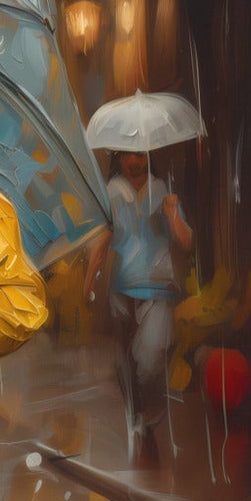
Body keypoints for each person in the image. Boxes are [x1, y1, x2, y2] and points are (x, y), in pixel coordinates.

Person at [84, 150, 194, 468]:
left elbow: (186, 242)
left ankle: (146, 422)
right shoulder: (111, 193)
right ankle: (138, 423)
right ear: (118, 159)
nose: (135, 162)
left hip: (157, 286)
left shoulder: (162, 191)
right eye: (128, 156)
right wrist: (89, 282)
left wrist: (173, 214)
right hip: (120, 289)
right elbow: (101, 242)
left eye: (140, 155)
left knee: (151, 357)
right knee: (125, 364)